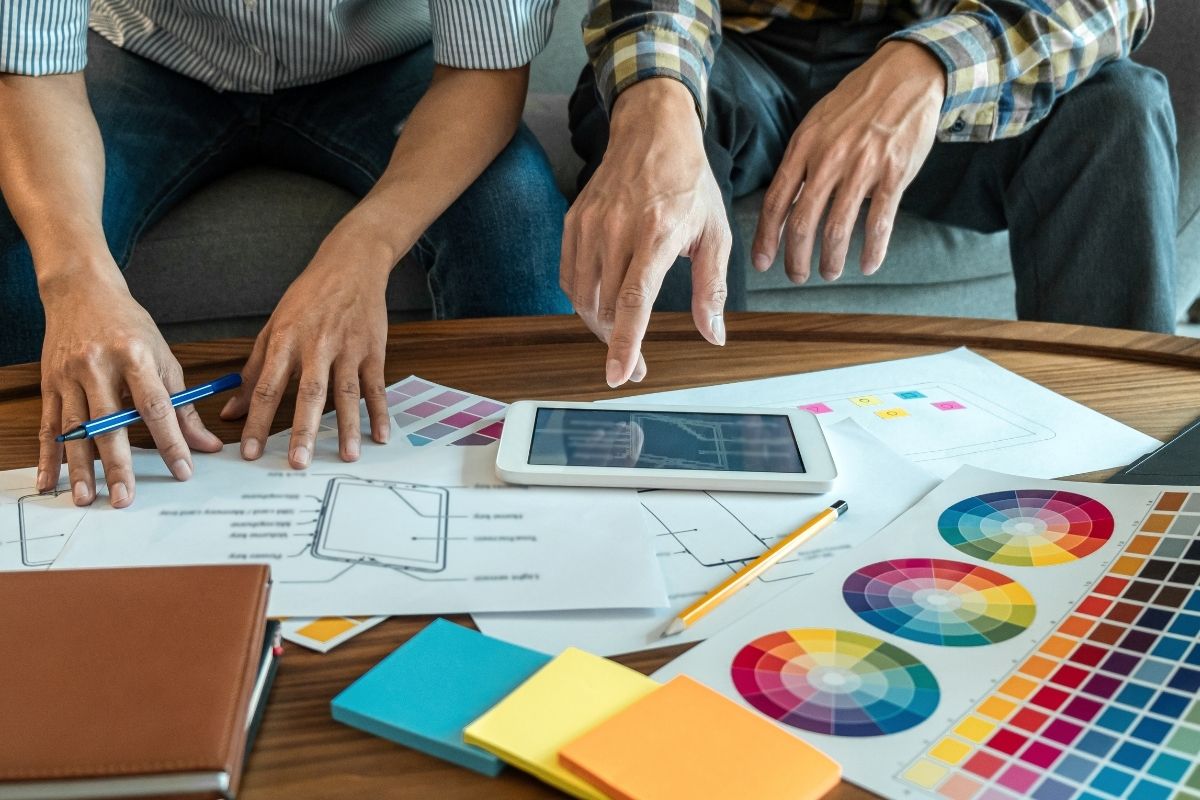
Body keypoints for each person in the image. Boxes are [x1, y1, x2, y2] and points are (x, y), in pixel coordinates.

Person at [0, 1, 570, 508]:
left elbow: (484, 65)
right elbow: (30, 70)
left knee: (514, 222)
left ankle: (519, 522)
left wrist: (364, 248)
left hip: (388, 60)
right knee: (20, 264)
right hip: (152, 54)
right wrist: (76, 278)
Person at [563, 0, 1178, 388]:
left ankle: (1135, 454)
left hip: (942, 43)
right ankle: (678, 432)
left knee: (1120, 106)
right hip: (730, 51)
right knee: (642, 110)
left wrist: (933, 63)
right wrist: (660, 97)